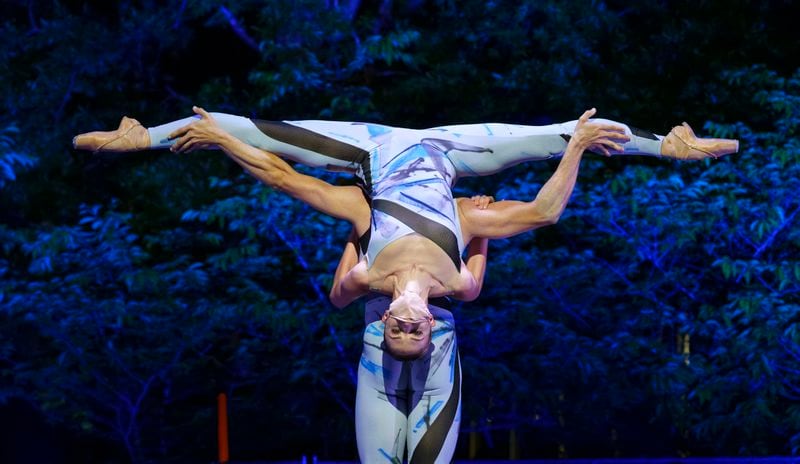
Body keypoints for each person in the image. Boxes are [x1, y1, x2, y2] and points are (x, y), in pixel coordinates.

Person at [72, 107, 738, 360]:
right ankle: (672, 147)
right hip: (454, 153)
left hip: (373, 152)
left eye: (399, 331)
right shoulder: (457, 281)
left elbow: (284, 179)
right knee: (579, 130)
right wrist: (575, 151)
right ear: (428, 324)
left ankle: (141, 137)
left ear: (385, 319)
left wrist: (219, 140)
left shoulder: (364, 268)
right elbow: (541, 214)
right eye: (417, 332)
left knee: (227, 122)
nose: (410, 326)